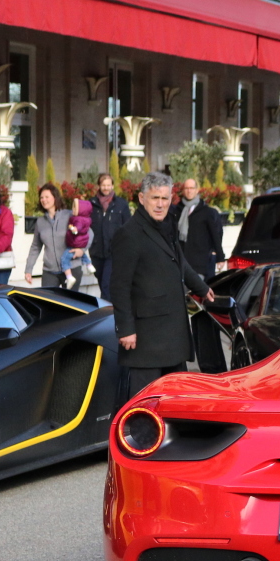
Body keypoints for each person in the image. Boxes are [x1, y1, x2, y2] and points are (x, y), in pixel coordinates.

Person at [109, 171, 214, 403]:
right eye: (155, 198)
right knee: (146, 406)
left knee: (175, 403)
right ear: (141, 198)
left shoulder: (168, 225)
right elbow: (119, 286)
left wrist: (201, 287)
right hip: (146, 339)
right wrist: (125, 328)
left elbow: (179, 261)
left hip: (172, 334)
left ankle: (174, 439)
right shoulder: (129, 234)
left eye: (165, 198)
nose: (160, 204)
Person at [24, 183, 82, 290]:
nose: (44, 200)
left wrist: (81, 250)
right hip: (50, 271)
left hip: (71, 268)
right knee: (47, 304)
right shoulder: (40, 222)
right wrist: (28, 269)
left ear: (55, 198)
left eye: (47, 197)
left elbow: (88, 233)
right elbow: (35, 247)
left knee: (69, 305)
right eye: (41, 197)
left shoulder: (69, 216)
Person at [172, 177, 227, 281]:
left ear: (196, 190)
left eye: (191, 188)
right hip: (181, 261)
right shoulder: (177, 211)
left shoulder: (206, 212)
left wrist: (220, 257)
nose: (189, 191)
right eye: (186, 188)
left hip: (199, 262)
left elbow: (215, 235)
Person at [90, 173, 131, 300]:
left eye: (108, 185)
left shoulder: (121, 204)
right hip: (96, 251)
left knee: (106, 284)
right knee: (103, 284)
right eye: (103, 185)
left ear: (112, 186)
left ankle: (106, 314)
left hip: (114, 251)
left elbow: (128, 227)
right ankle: (112, 308)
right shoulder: (91, 203)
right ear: (99, 186)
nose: (106, 188)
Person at [64, 198, 94, 288]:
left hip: (74, 243)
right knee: (83, 254)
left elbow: (78, 228)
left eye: (75, 208)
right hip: (82, 243)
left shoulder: (78, 220)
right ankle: (89, 265)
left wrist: (73, 229)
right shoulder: (86, 219)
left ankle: (69, 277)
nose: (72, 210)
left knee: (64, 260)